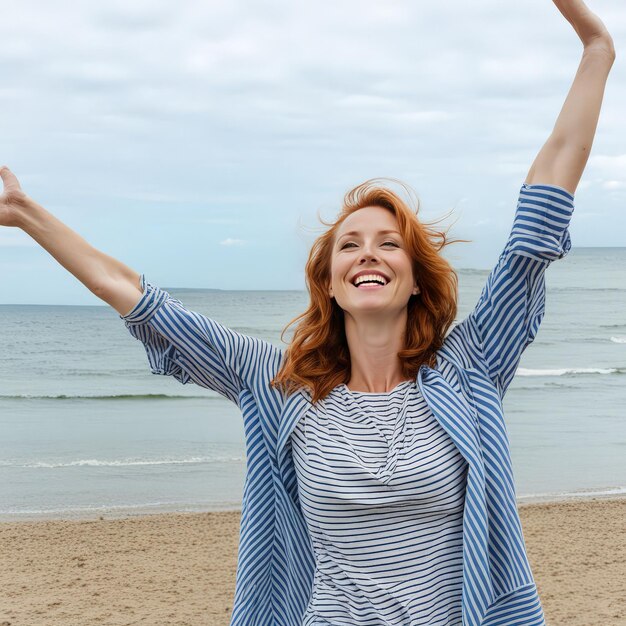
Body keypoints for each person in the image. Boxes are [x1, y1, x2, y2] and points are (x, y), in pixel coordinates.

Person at [0, 1, 615, 624]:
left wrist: (597, 48)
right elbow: (135, 295)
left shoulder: (470, 368)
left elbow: (537, 221)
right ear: (330, 282)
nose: (367, 254)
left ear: (415, 282)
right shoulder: (280, 385)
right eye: (349, 245)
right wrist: (25, 212)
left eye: (388, 243)